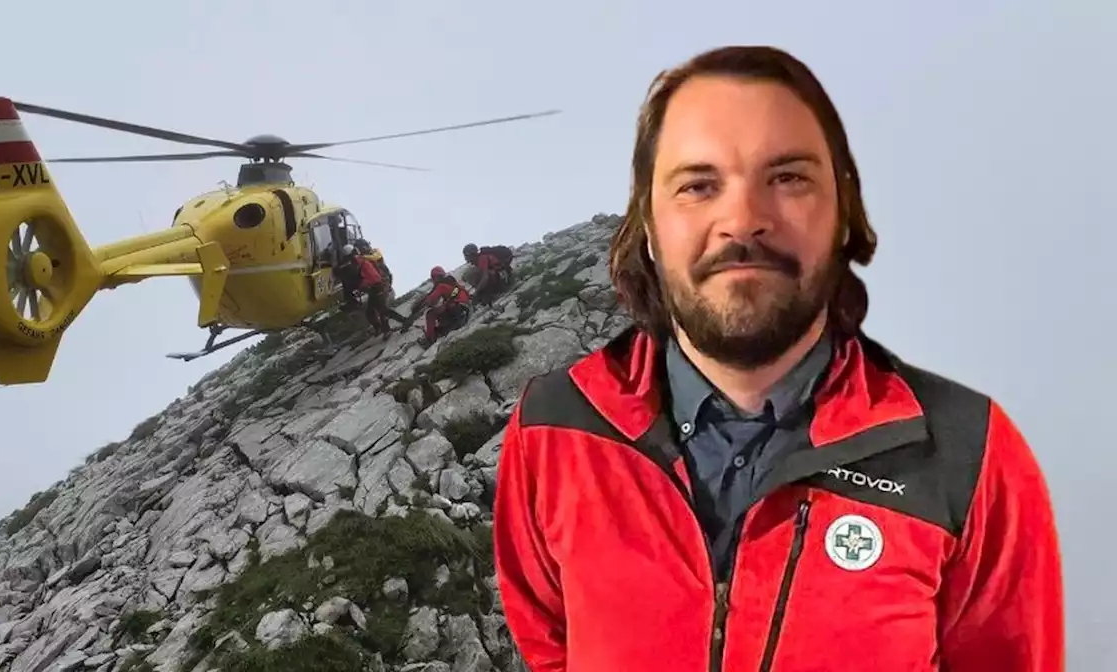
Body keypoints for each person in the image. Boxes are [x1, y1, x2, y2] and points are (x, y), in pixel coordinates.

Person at [492, 45, 1063, 672]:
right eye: (697, 185)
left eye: (788, 177)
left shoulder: (969, 454)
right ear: (649, 229)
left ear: (843, 214)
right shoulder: (552, 427)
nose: (742, 220)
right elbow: (551, 648)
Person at [339, 244, 399, 336]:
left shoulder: (366, 260)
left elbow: (374, 277)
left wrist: (362, 285)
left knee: (382, 310)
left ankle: (390, 328)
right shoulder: (361, 262)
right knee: (371, 311)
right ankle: (379, 328)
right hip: (375, 287)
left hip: (379, 285)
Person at [405, 265, 472, 346]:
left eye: (433, 278)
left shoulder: (441, 286)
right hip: (466, 308)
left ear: (435, 277)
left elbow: (430, 300)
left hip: (458, 308)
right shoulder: (452, 284)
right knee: (442, 310)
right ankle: (448, 326)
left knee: (430, 314)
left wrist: (418, 308)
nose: (433, 281)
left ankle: (430, 340)